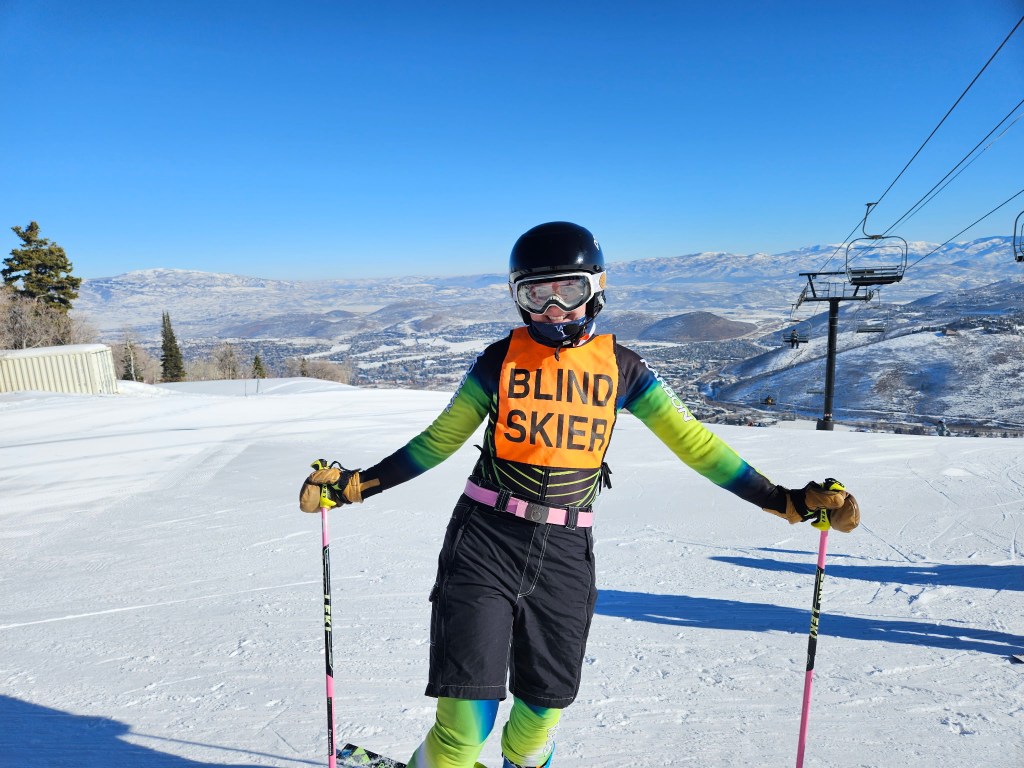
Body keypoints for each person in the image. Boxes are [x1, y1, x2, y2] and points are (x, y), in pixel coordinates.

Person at [299, 221, 861, 768]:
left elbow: (696, 445)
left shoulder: (623, 368)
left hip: (565, 553)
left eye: (568, 291)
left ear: (597, 289)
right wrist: (355, 486)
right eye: (535, 295)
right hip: (484, 541)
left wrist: (782, 500)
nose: (552, 310)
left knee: (537, 723)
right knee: (463, 729)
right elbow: (438, 441)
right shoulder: (500, 361)